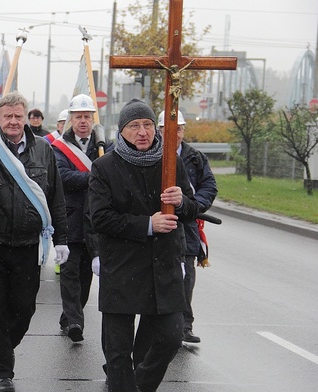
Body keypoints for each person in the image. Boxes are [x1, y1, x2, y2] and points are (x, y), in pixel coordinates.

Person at [87, 99, 198, 392]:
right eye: (134, 126)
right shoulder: (104, 166)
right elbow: (100, 218)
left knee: (170, 338)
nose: (142, 132)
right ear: (122, 131)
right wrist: (148, 224)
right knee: (119, 352)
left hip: (163, 270)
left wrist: (182, 201)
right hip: (123, 268)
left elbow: (191, 210)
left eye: (148, 124)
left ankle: (140, 386)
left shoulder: (171, 164)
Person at [0, 92, 69, 392]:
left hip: (27, 246)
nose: (13, 121)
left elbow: (55, 197)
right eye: (7, 116)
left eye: (17, 116)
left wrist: (61, 238)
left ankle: (2, 346)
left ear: (26, 118)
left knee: (24, 309)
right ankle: (2, 371)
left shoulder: (43, 150)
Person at [158, 110, 218, 344]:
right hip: (159, 223)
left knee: (186, 276)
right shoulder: (152, 155)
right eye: (168, 130)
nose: (175, 134)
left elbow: (209, 186)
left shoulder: (196, 157)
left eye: (179, 129)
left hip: (188, 226)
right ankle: (160, 325)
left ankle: (184, 325)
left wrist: (193, 205)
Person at [51, 94, 105, 343]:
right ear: (70, 119)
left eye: (87, 116)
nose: (83, 121)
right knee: (70, 275)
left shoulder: (104, 145)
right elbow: (61, 176)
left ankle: (69, 316)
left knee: (85, 279)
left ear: (93, 119)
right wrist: (95, 177)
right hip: (70, 219)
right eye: (78, 116)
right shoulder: (58, 148)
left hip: (95, 221)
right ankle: (74, 322)